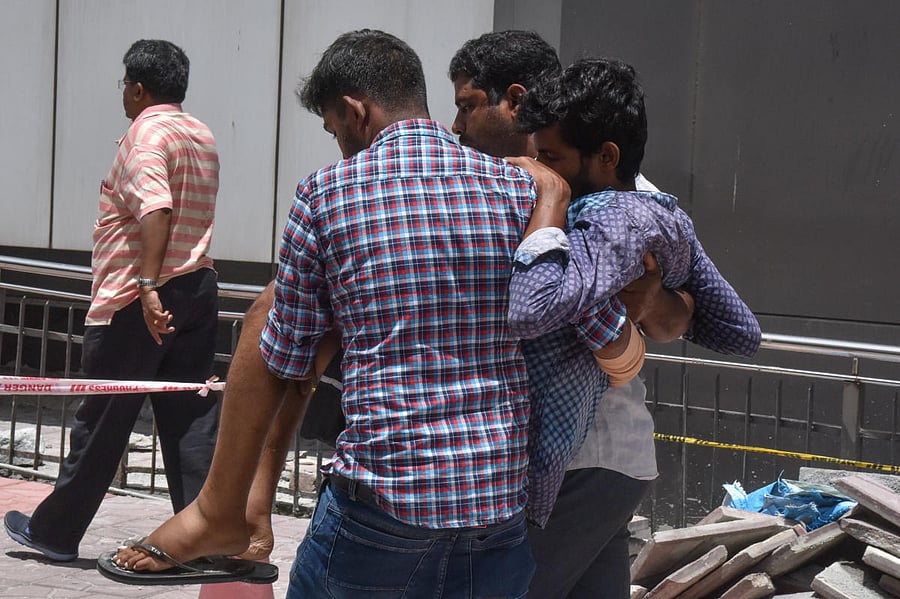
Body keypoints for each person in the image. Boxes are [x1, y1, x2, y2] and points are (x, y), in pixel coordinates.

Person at [109, 29, 591, 598]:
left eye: (335, 130)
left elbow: (287, 355)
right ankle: (230, 512)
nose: (340, 146)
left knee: (270, 315)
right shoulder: (522, 189)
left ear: (355, 111)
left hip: (384, 509)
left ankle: (221, 510)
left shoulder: (327, 193)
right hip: (498, 508)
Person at [512, 57, 762, 598]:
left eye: (550, 158)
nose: (537, 169)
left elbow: (533, 309)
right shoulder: (657, 214)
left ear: (606, 157)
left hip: (582, 464)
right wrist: (668, 300)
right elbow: (739, 328)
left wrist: (551, 206)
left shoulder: (606, 219)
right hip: (613, 466)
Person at [4, 39, 221, 562]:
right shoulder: (201, 134)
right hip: (197, 286)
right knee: (191, 421)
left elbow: (156, 209)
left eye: (125, 84)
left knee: (102, 418)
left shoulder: (145, 135)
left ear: (139, 88)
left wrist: (147, 287)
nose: (122, 93)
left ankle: (54, 533)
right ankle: (206, 538)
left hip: (135, 301)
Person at [449, 31, 652, 530]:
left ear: (515, 101)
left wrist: (651, 307)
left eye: (467, 106)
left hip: (578, 464)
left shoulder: (608, 198)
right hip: (578, 462)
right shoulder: (508, 187)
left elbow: (652, 317)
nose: (456, 126)